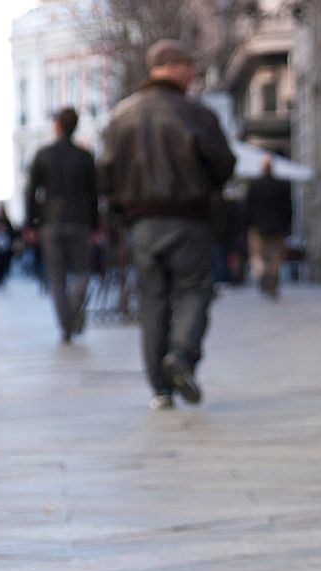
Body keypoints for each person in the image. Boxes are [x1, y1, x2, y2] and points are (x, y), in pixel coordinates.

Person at [98, 39, 236, 409]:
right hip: (188, 216)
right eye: (189, 66)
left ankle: (160, 387)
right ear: (173, 67)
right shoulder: (196, 113)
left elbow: (106, 174)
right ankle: (182, 354)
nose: (193, 75)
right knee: (193, 290)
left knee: (153, 300)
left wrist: (120, 212)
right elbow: (224, 164)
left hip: (141, 221)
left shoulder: (121, 116)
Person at [26, 106, 99, 343]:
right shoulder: (84, 156)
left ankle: (65, 323)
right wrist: (95, 223)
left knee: (56, 276)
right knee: (82, 271)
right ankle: (74, 308)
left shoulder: (43, 154)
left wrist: (31, 222)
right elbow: (93, 194)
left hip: (51, 221)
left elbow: (32, 191)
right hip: (79, 219)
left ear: (57, 126)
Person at [244, 156, 292, 299]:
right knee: (276, 258)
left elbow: (248, 208)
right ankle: (271, 280)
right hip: (278, 227)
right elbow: (288, 208)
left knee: (257, 256)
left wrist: (249, 226)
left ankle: (263, 274)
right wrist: (287, 226)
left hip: (258, 227)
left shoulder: (254, 185)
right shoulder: (282, 186)